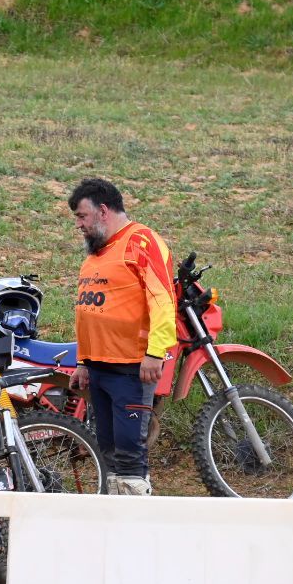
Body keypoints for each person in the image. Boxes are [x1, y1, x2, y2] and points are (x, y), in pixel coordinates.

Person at [66, 177, 176, 496]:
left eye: (82, 216)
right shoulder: (96, 254)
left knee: (129, 451)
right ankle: (113, 510)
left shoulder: (141, 241)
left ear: (103, 211)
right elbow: (87, 313)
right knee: (107, 451)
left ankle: (135, 512)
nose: (78, 224)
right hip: (98, 368)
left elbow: (162, 300)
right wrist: (83, 362)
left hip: (130, 368)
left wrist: (155, 352)